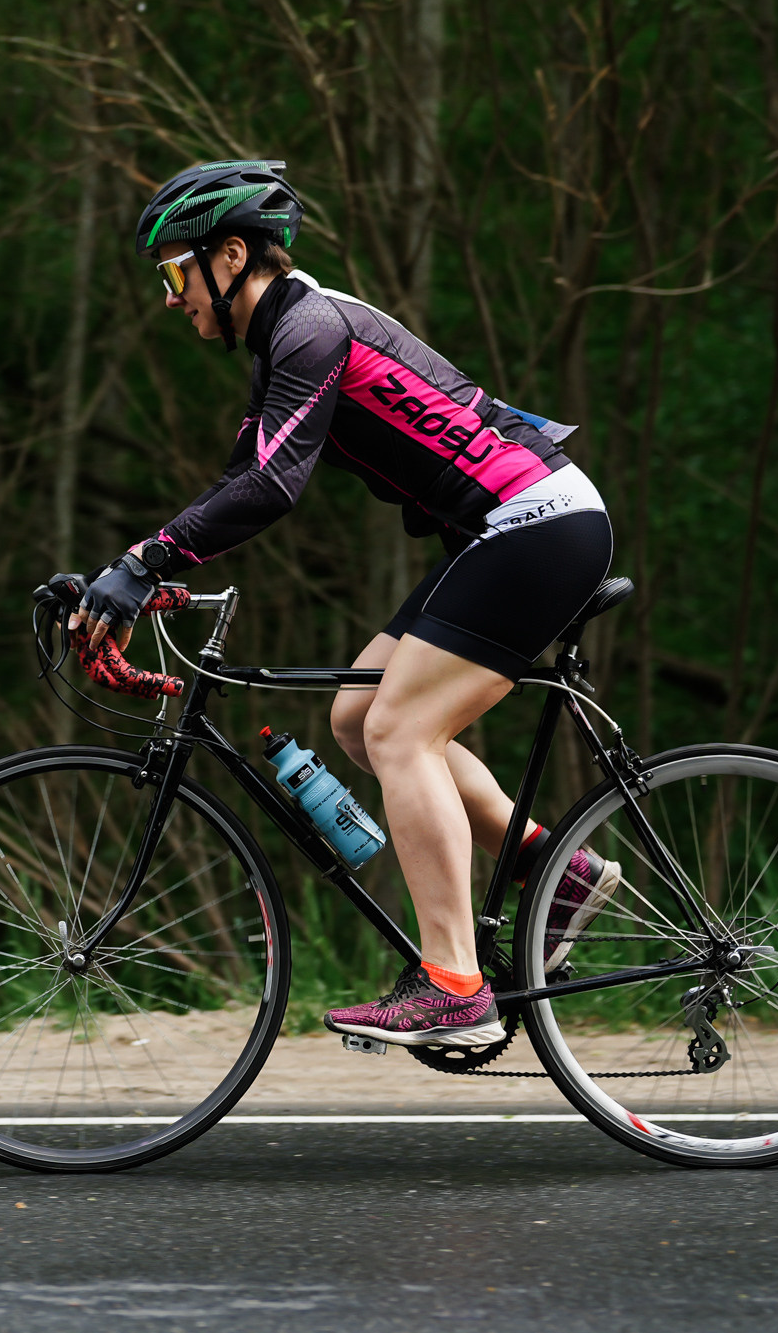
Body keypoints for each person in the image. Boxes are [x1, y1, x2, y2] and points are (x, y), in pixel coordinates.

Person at [71, 159, 622, 1049]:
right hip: (509, 528)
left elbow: (270, 486)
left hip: (539, 524)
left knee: (404, 731)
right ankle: (554, 875)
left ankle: (455, 988)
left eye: (175, 274)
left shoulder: (310, 329)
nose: (169, 298)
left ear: (233, 256)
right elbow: (237, 480)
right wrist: (127, 565)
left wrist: (143, 563)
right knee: (362, 712)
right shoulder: (285, 342)